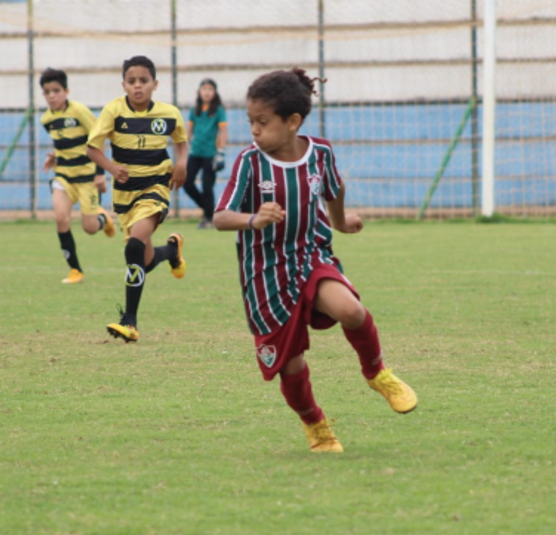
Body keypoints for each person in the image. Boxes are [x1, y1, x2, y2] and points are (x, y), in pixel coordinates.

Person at [213, 68, 418, 453]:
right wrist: (254, 219)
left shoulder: (319, 152)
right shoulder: (249, 163)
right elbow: (221, 216)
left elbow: (334, 189)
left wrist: (340, 223)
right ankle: (316, 426)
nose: (254, 130)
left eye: (262, 122)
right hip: (266, 275)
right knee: (290, 364)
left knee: (351, 310)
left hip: (310, 256)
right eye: (250, 122)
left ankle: (377, 373)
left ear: (293, 122)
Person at [86, 55, 189, 343]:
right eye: (131, 81)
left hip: (156, 187)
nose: (138, 86)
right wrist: (110, 167)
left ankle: (129, 321)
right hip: (124, 196)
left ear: (155, 84)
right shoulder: (114, 111)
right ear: (124, 85)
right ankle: (171, 251)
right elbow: (92, 149)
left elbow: (181, 141)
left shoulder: (169, 113)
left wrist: (181, 163)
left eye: (143, 80)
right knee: (141, 260)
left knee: (133, 247)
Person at [39, 68, 117, 285]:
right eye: (47, 92)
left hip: (87, 178)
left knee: (90, 228)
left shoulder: (79, 111)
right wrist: (55, 157)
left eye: (56, 90)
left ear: (66, 91)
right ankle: (75, 270)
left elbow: (98, 138)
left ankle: (104, 219)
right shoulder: (46, 119)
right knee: (61, 218)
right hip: (63, 176)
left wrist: (100, 173)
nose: (52, 95)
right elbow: (66, 142)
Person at [184, 78, 228, 229]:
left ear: (214, 92)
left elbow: (223, 131)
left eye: (210, 89)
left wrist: (221, 151)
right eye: (204, 89)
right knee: (187, 182)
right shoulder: (194, 109)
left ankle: (208, 218)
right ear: (199, 92)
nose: (207, 92)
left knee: (207, 187)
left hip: (211, 154)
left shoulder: (218, 110)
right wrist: (184, 149)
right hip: (195, 152)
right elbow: (189, 131)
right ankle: (209, 210)